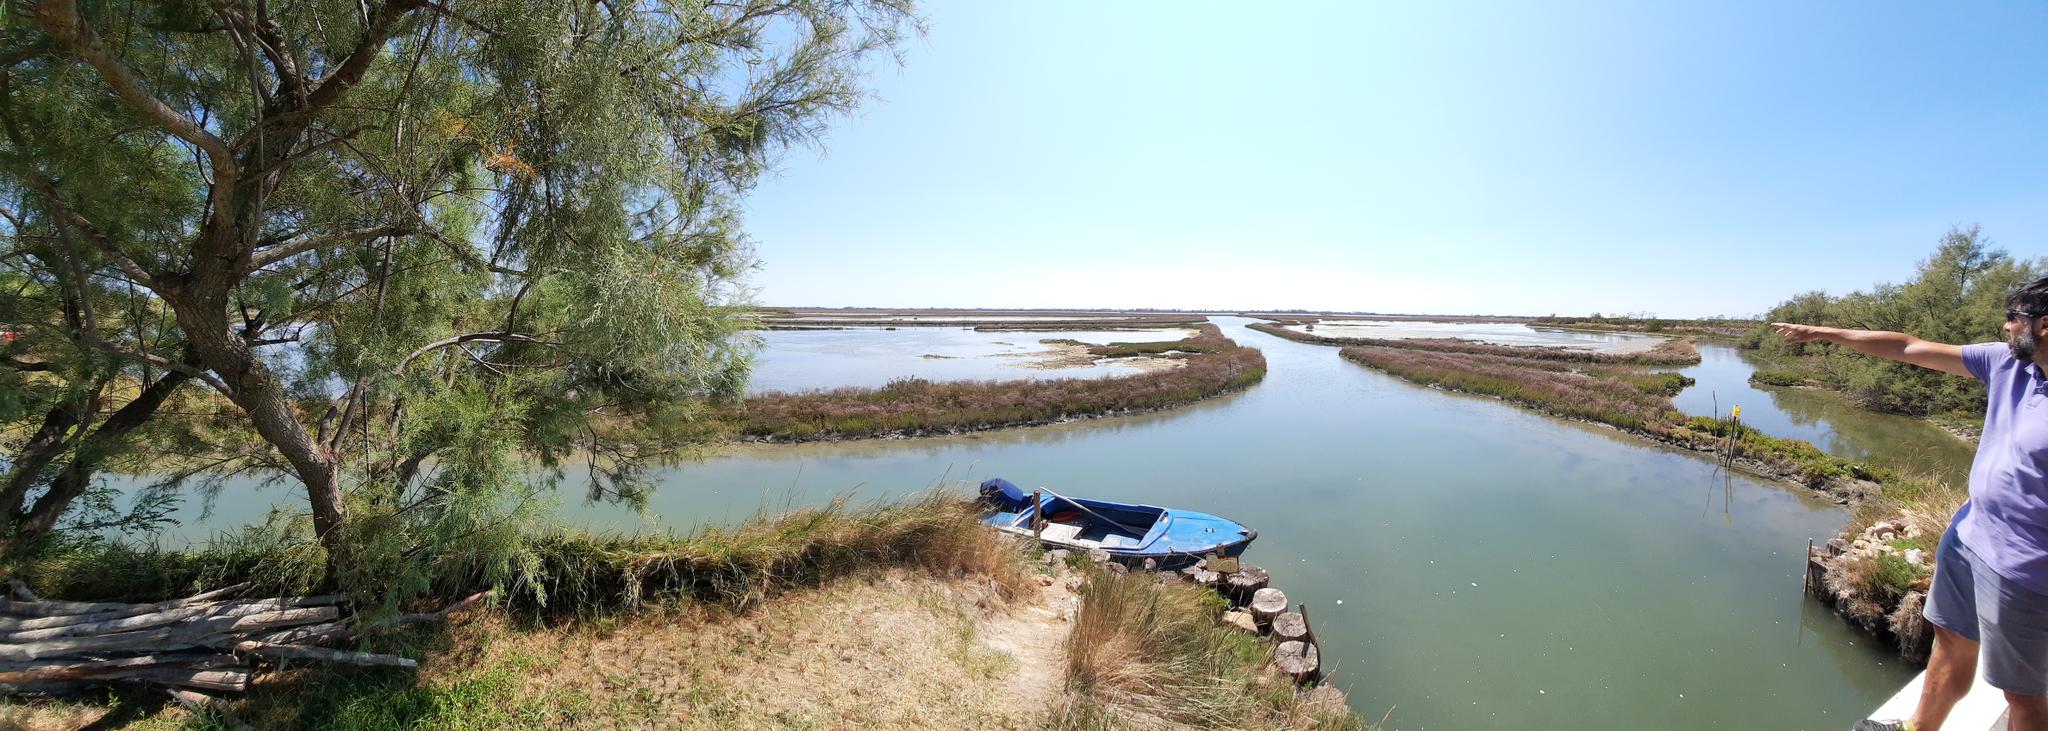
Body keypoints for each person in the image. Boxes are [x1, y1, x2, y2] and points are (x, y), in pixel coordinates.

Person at [1776, 276, 2048, 731]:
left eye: (2014, 318)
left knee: (2022, 693)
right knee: (1950, 640)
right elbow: (1907, 347)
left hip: (2027, 569)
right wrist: (1821, 333)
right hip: (1969, 537)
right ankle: (1918, 728)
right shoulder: (2008, 364)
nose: (2004, 327)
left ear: (2046, 325)